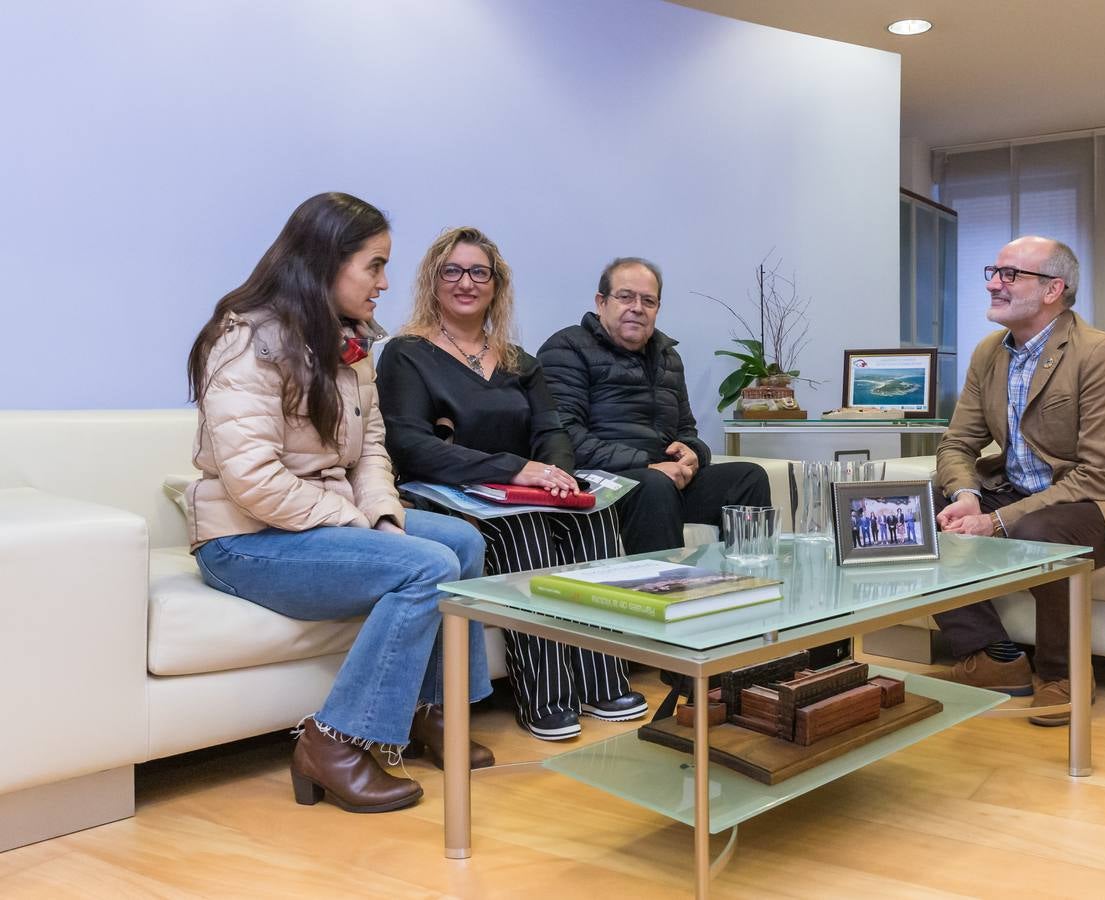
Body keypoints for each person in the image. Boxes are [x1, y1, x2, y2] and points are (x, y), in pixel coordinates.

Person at [185, 193, 493, 814]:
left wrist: (381, 514)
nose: (384, 283)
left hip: (317, 521)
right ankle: (333, 741)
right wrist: (359, 523)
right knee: (426, 565)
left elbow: (371, 448)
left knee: (464, 540)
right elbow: (253, 481)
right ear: (326, 261)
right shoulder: (247, 340)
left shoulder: (351, 343)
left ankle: (429, 711)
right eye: (374, 266)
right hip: (246, 541)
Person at [378, 227, 647, 742]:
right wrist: (513, 470)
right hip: (443, 493)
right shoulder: (406, 353)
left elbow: (551, 430)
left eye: (480, 272)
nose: (466, 282)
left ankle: (602, 680)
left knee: (592, 516)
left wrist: (560, 476)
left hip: (521, 490)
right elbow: (410, 445)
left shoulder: (520, 359)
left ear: (497, 285)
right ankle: (544, 694)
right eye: (452, 271)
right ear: (433, 281)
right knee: (527, 532)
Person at [933, 235, 1105, 726]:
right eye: (993, 273)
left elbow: (1102, 475)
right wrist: (968, 495)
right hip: (1021, 492)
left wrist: (997, 521)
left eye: (1010, 274)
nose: (994, 284)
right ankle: (993, 658)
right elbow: (956, 444)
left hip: (1104, 502)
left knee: (1041, 533)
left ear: (1052, 289)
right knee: (914, 507)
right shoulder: (988, 353)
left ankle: (1062, 673)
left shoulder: (1102, 353)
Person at [538, 257, 772, 554]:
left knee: (748, 477)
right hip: (600, 480)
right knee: (654, 485)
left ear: (657, 309)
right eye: (625, 297)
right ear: (601, 302)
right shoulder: (566, 348)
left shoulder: (668, 357)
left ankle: (747, 581)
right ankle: (666, 592)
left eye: (648, 300)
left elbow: (686, 428)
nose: (637, 307)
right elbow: (563, 435)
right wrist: (647, 465)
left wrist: (693, 454)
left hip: (660, 476)